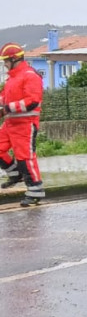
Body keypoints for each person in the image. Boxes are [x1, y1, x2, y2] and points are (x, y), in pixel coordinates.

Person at [0, 43, 45, 206]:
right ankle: (15, 174)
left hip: (25, 124)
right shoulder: (12, 77)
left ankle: (35, 191)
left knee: (25, 158)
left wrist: (6, 109)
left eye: (6, 61)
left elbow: (32, 101)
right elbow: (4, 98)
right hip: (11, 123)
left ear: (14, 59)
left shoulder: (30, 75)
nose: (4, 64)